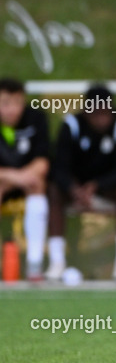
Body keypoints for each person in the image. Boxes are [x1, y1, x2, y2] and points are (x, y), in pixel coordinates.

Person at [46, 84, 116, 281]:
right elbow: (59, 167)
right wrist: (73, 189)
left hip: (108, 186)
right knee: (53, 190)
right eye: (96, 113)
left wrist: (97, 186)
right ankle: (57, 261)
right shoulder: (72, 125)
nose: (101, 119)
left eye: (105, 112)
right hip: (76, 186)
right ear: (86, 112)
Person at [0, 78, 50, 280]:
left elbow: (43, 163)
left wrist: (19, 178)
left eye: (18, 102)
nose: (13, 109)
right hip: (6, 182)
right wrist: (14, 176)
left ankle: (34, 264)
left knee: (38, 183)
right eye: (5, 103)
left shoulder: (36, 118)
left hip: (27, 182)